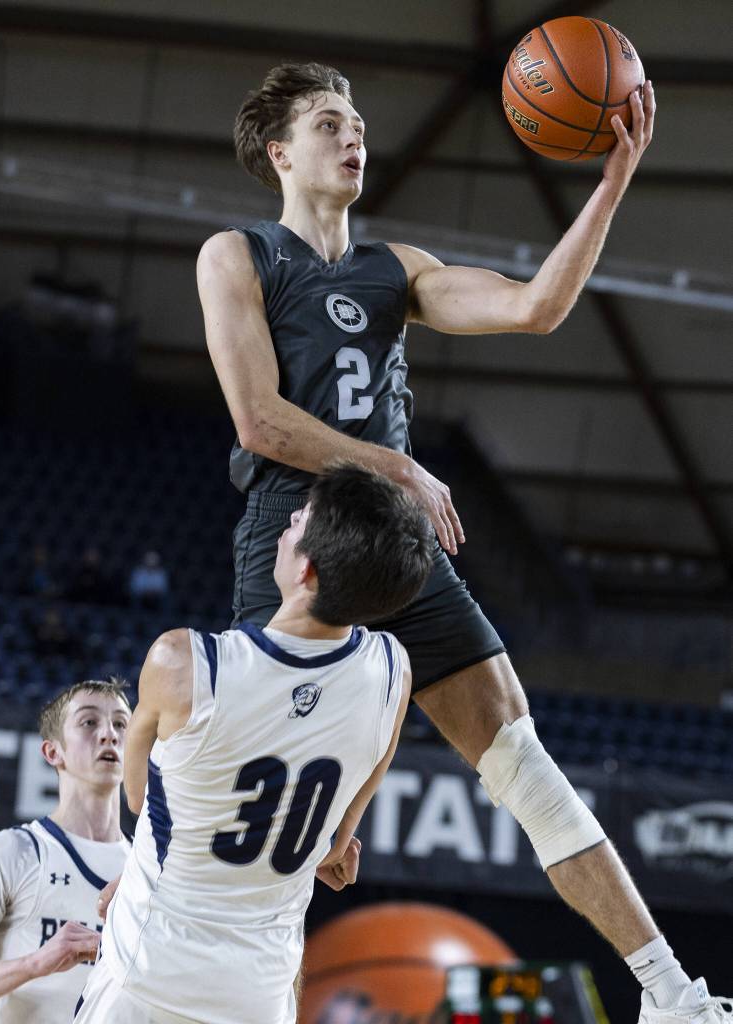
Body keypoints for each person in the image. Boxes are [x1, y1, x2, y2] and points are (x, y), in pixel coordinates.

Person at [196, 63, 732, 1023]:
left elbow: (535, 308)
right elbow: (260, 423)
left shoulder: (395, 267)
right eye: (329, 123)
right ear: (280, 153)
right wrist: (395, 466)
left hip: (401, 553)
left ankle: (670, 995)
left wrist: (611, 182)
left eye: (357, 121)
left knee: (526, 766)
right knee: (272, 819)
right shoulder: (238, 256)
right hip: (298, 544)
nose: (353, 135)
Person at [74, 464, 433, 1024]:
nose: (288, 522)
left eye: (298, 521)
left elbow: (142, 798)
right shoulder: (393, 673)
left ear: (306, 569)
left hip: (148, 977)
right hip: (259, 998)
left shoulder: (185, 663)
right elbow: (335, 848)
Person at [0, 679, 132, 1022]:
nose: (109, 734)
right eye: (89, 722)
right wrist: (33, 964)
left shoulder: (150, 869)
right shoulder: (10, 852)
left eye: (121, 724)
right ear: (53, 752)